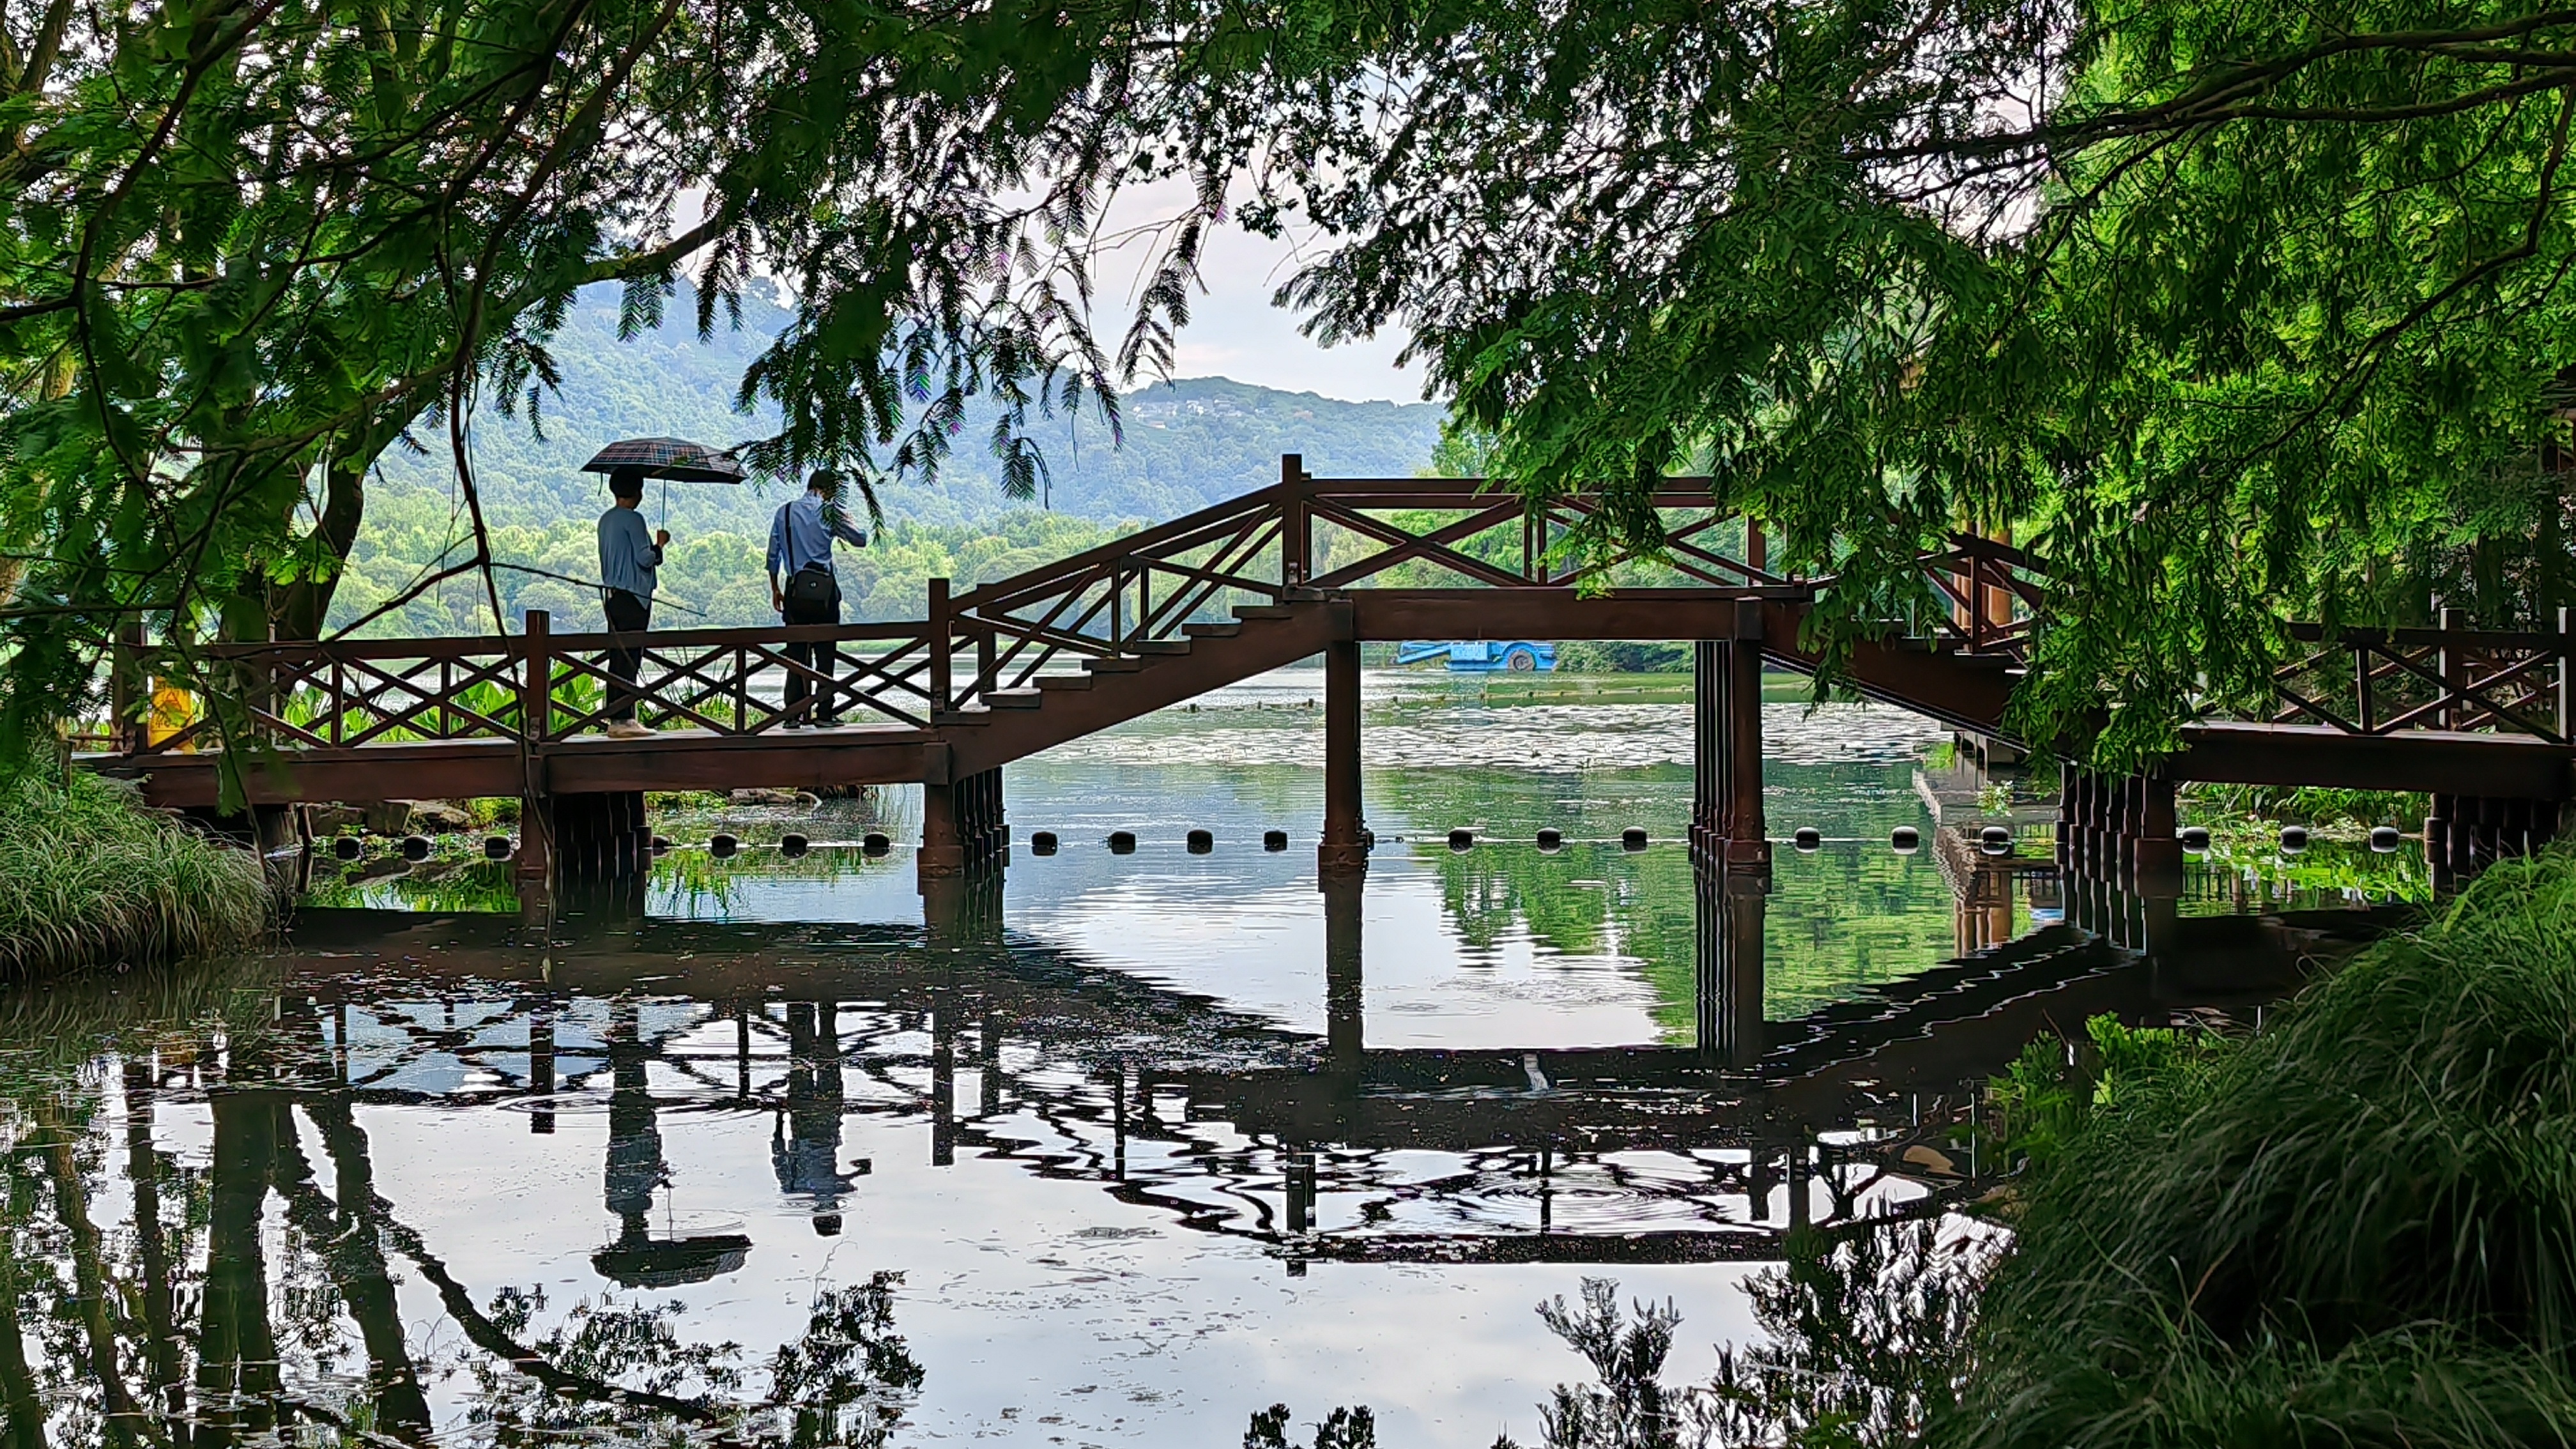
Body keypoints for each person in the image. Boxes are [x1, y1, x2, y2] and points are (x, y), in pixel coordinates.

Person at [767, 469, 868, 728]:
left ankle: (793, 714)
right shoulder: (830, 512)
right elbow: (860, 540)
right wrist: (849, 520)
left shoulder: (785, 512)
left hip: (794, 590)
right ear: (830, 490)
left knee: (796, 654)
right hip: (824, 593)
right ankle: (824, 713)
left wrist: (775, 589)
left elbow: (772, 555)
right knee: (825, 653)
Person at [596, 467, 668, 739]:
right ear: (638, 492)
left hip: (613, 596)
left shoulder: (605, 520)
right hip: (635, 598)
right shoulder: (634, 520)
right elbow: (644, 559)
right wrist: (660, 545)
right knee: (631, 657)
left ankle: (616, 717)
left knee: (617, 657)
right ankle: (625, 720)